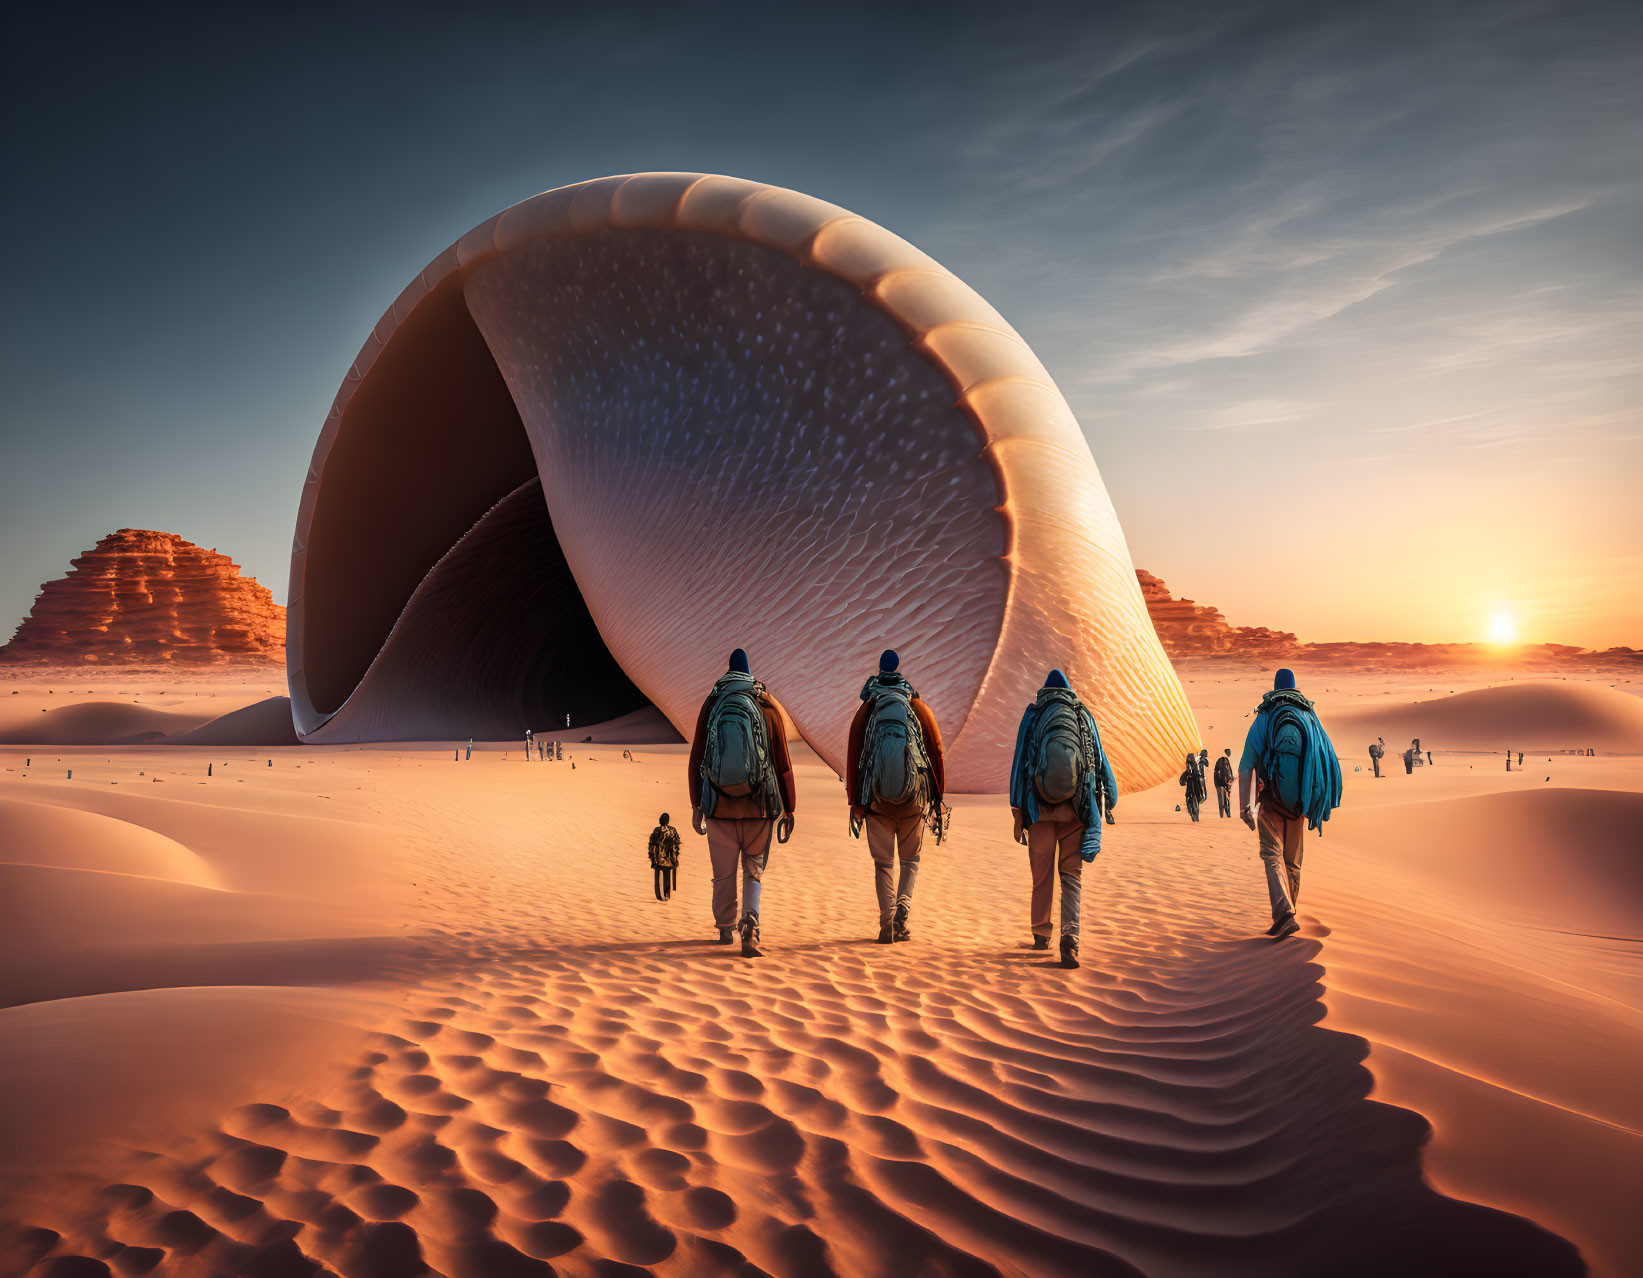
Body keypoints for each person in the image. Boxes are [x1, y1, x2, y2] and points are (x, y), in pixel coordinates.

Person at [687, 649, 796, 957]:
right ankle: (750, 921)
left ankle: (724, 927)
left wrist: (697, 805)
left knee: (723, 872)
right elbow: (783, 763)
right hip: (759, 805)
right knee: (753, 868)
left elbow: (697, 759)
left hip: (718, 806)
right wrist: (790, 807)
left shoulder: (712, 706)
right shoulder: (765, 706)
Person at [1010, 670, 1118, 970]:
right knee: (1072, 875)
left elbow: (1020, 763)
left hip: (1039, 810)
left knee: (1042, 876)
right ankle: (1070, 939)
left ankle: (1041, 933)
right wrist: (1110, 794)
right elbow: (1098, 756)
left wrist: (1017, 812)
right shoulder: (1083, 716)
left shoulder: (1034, 716)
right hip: (1077, 810)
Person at [846, 650, 946, 943]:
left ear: (879, 672)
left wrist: (856, 802)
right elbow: (936, 752)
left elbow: (854, 757)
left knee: (883, 864)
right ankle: (903, 904)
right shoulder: (918, 707)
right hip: (913, 801)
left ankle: (887, 921)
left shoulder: (867, 710)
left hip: (876, 801)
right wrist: (937, 798)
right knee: (910, 861)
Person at [1238, 669, 1343, 941]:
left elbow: (1246, 764)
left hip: (1272, 800)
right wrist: (1315, 800)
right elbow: (1325, 757)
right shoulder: (1309, 717)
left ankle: (1284, 915)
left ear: (1274, 688)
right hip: (1299, 803)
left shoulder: (1265, 717)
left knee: (1271, 854)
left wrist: (1244, 807)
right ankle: (1290, 909)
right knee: (1293, 862)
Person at [648, 813, 681, 901]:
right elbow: (677, 843)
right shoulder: (673, 830)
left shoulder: (657, 830)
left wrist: (651, 855)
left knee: (657, 878)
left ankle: (658, 896)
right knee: (667, 877)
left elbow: (652, 844)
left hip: (658, 859)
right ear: (668, 821)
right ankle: (667, 895)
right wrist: (675, 856)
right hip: (669, 860)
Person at [1179, 752, 1206, 821]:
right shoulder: (1190, 767)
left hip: (1195, 786)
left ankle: (1195, 816)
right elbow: (1185, 775)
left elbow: (1196, 775)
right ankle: (1194, 815)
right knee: (1190, 801)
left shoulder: (1194, 767)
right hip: (1191, 787)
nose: (1189, 759)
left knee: (1193, 801)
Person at [1213, 748, 1234, 816]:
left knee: (1223, 800)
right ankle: (1227, 814)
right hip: (1224, 783)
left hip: (1221, 783)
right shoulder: (1224, 760)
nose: (1229, 753)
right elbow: (1228, 772)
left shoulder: (1223, 761)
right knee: (1225, 800)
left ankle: (1224, 814)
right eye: (1228, 752)